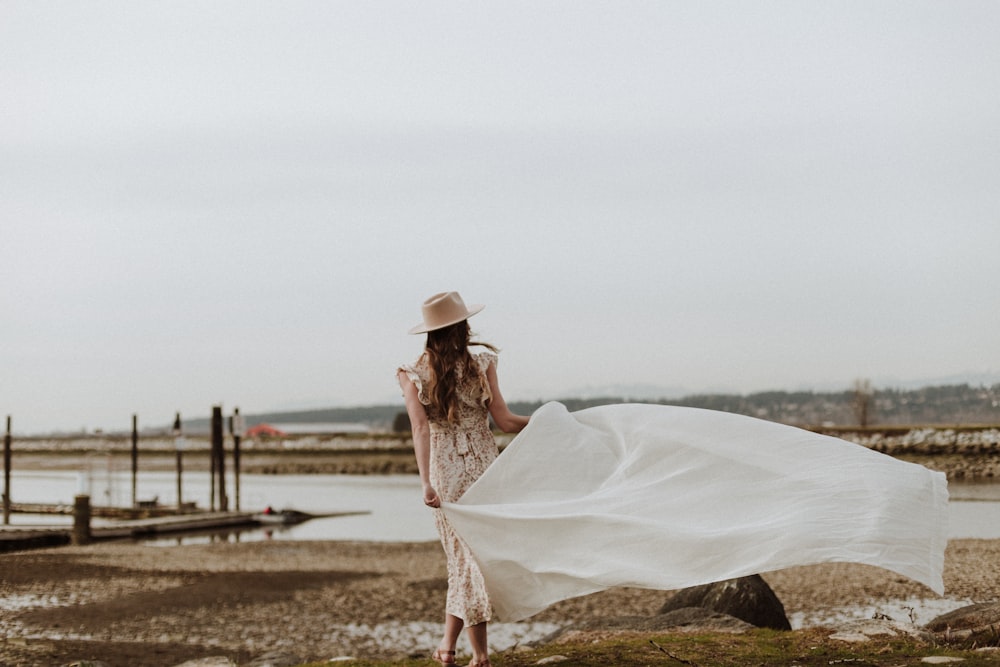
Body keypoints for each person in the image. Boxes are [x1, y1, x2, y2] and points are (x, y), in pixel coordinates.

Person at [397, 291, 530, 667]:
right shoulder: (481, 364)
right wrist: (541, 421)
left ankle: (455, 649)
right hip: (485, 469)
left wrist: (426, 482)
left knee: (465, 561)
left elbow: (420, 430)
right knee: (471, 561)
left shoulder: (413, 374)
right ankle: (474, 654)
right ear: (463, 326)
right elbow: (504, 422)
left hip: (446, 474)